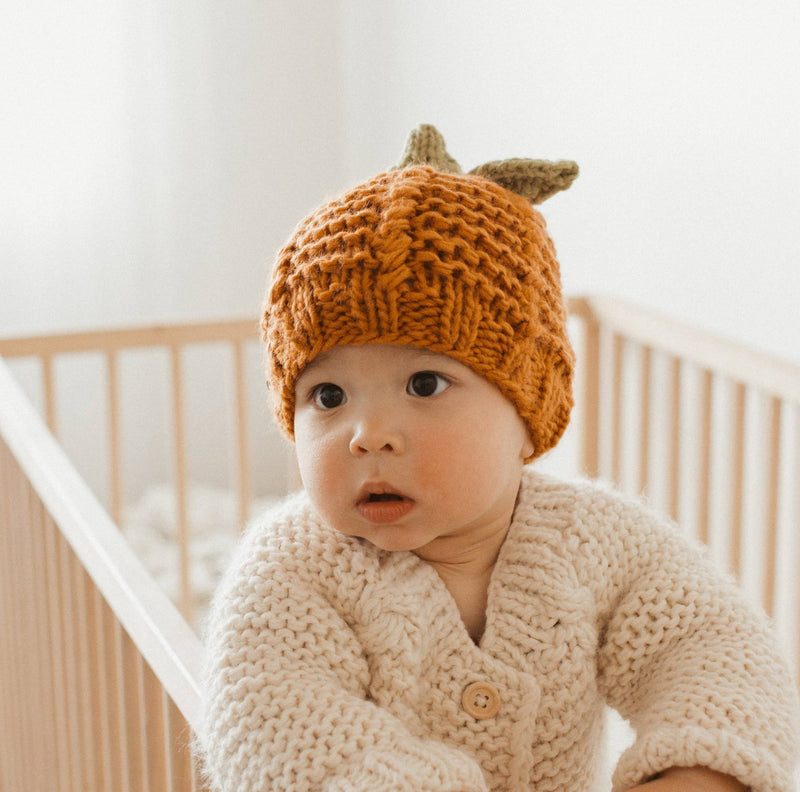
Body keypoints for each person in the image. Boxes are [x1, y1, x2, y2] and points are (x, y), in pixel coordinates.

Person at [197, 125, 799, 792]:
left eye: (424, 384)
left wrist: (699, 767)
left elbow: (709, 647)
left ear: (526, 413)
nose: (367, 435)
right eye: (328, 395)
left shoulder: (595, 539)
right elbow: (286, 739)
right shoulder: (290, 575)